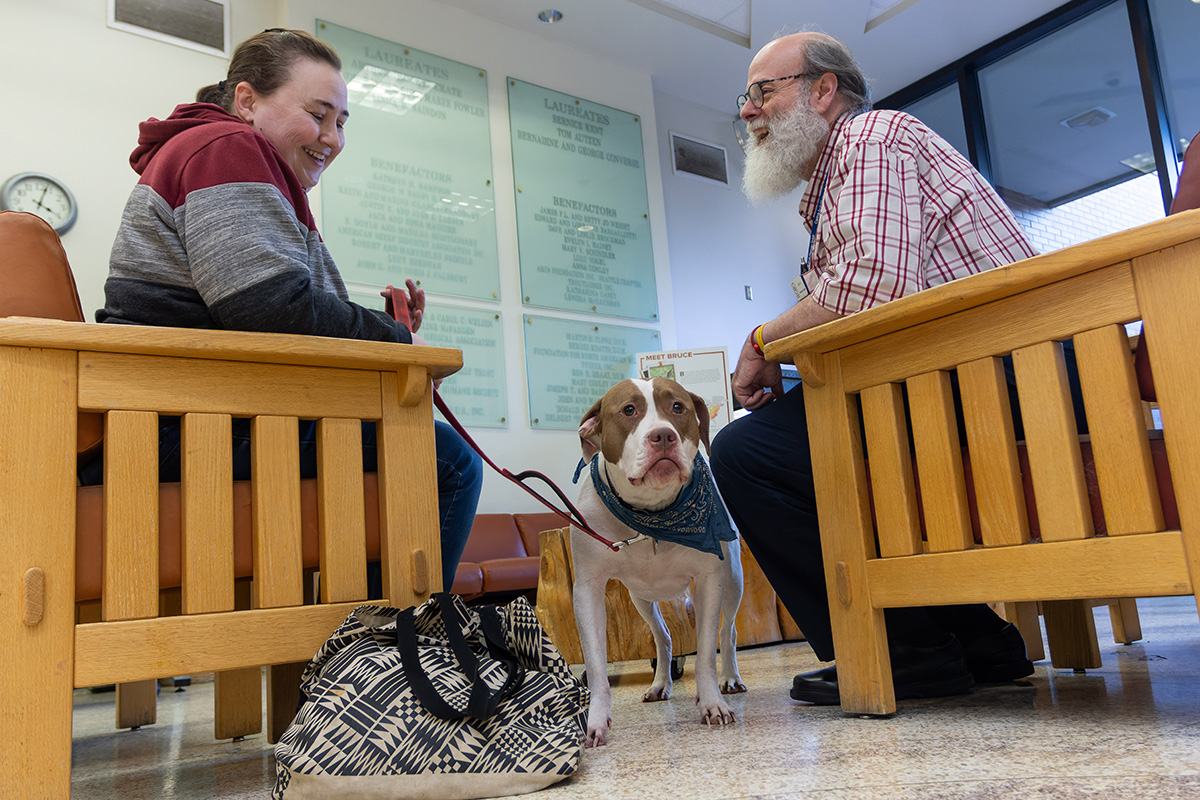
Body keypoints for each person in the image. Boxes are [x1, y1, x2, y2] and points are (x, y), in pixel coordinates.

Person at [710, 31, 1063, 706]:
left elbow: (872, 284)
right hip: (978, 371)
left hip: (1008, 373)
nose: (749, 111)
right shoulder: (842, 173)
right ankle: (975, 641)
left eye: (764, 90)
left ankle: (903, 651)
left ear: (823, 90)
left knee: (748, 455)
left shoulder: (872, 139)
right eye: (745, 97)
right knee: (812, 443)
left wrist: (761, 338)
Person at [80, 28, 482, 592]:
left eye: (340, 122)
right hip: (176, 423)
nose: (331, 138)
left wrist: (385, 328)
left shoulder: (212, 149)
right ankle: (391, 652)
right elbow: (266, 305)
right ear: (247, 100)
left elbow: (261, 302)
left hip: (164, 415)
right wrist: (393, 340)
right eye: (318, 115)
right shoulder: (228, 148)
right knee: (444, 460)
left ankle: (367, 651)